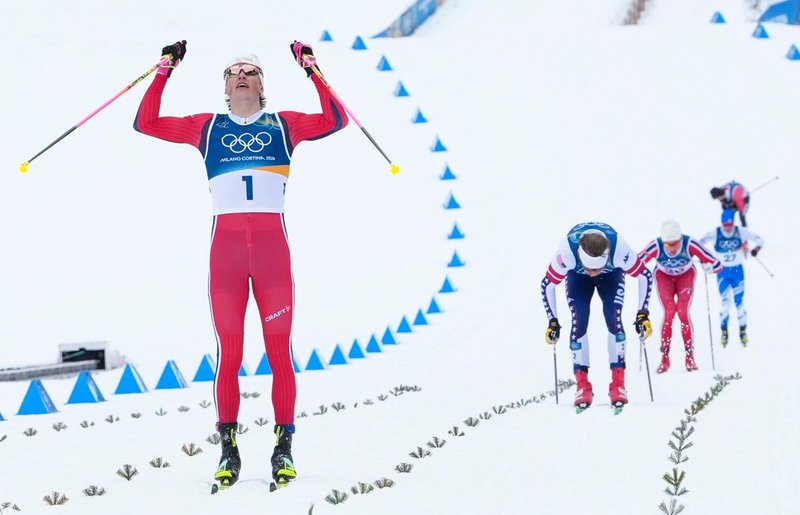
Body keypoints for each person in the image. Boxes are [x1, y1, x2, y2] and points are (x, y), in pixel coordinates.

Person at [134, 40, 348, 489]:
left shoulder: (283, 124)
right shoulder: (206, 127)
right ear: (226, 89)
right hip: (226, 254)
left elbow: (335, 119)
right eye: (234, 72)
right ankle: (228, 449)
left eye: (251, 70)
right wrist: (164, 68)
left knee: (278, 351)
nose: (242, 75)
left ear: (262, 85)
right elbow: (146, 122)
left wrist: (311, 68)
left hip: (272, 252)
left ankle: (283, 446)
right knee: (229, 353)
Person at [541, 222, 653, 410]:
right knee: (579, 320)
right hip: (577, 277)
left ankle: (618, 384)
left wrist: (642, 314)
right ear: (579, 255)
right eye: (590, 268)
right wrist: (552, 321)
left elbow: (645, 276)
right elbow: (547, 284)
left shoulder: (619, 250)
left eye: (597, 268)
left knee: (614, 318)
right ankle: (582, 385)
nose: (593, 274)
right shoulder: (566, 252)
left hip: (612, 275)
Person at [638, 220, 722, 373]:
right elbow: (636, 261)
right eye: (668, 244)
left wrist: (713, 267)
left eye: (676, 243)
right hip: (664, 276)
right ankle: (665, 358)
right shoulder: (655, 246)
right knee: (669, 312)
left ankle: (690, 357)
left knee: (683, 312)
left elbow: (714, 260)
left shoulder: (690, 243)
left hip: (685, 276)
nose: (672, 247)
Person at [700, 210, 764, 347]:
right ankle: (724, 331)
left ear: (733, 223)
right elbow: (699, 243)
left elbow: (760, 239)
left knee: (739, 302)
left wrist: (756, 249)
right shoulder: (715, 233)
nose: (728, 227)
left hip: (737, 271)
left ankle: (742, 330)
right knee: (725, 302)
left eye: (730, 224)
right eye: (725, 224)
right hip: (722, 271)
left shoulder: (740, 231)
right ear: (722, 223)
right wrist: (705, 258)